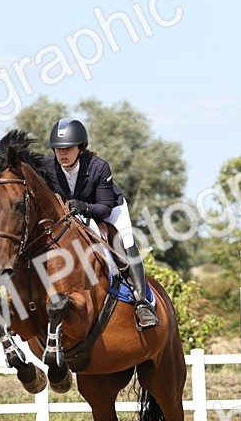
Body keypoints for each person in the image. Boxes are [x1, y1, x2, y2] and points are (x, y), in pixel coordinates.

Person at [37, 118, 158, 329]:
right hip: (70, 212)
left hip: (107, 207)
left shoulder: (98, 167)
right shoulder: (47, 166)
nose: (62, 153)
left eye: (68, 148)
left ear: (81, 147)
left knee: (126, 242)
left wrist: (83, 207)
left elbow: (105, 207)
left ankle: (142, 303)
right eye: (58, 149)